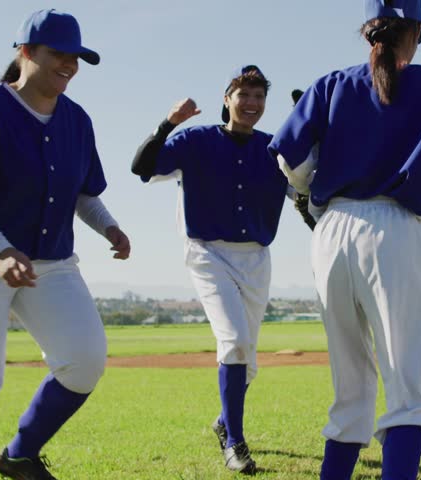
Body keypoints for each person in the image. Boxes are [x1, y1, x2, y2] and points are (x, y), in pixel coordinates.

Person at [269, 1, 421, 478]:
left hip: (331, 233)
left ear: (367, 32)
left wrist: (317, 195)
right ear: (416, 33)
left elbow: (289, 163)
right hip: (395, 230)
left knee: (350, 391)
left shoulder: (332, 83)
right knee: (407, 393)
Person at [0, 9, 130, 480]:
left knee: (85, 359)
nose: (69, 65)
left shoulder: (77, 120)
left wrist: (109, 227)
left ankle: (18, 456)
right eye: (58, 54)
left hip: (49, 261)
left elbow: (83, 193)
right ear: (26, 52)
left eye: (76, 57)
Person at [131, 65, 288, 474]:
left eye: (258, 97)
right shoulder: (195, 140)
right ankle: (235, 443)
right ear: (227, 98)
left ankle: (224, 422)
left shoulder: (274, 149)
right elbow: (142, 167)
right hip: (207, 253)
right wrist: (168, 123)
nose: (251, 103)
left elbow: (310, 190)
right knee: (234, 341)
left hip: (256, 258)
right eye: (244, 94)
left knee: (247, 359)